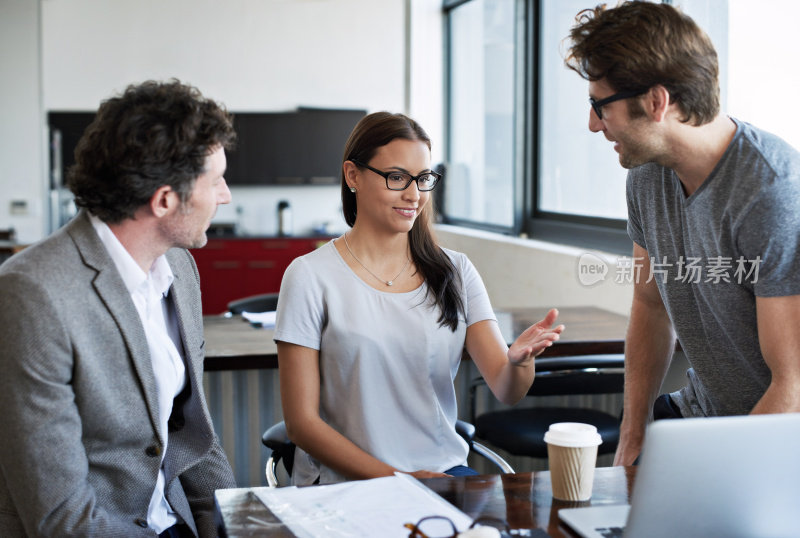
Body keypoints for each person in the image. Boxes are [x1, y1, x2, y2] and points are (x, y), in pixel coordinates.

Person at [564, 2, 800, 466]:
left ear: (656, 102)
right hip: (699, 419)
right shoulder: (647, 176)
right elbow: (650, 305)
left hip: (774, 440)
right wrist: (633, 434)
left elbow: (792, 384)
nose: (593, 123)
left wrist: (725, 483)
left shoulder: (771, 193)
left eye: (599, 105)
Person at [0, 80, 237, 537]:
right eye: (216, 181)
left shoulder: (179, 270)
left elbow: (192, 436)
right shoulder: (31, 294)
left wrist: (234, 526)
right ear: (165, 200)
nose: (224, 196)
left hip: (171, 522)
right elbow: (61, 519)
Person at [274, 112, 564, 484]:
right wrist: (401, 479)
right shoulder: (310, 276)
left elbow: (507, 389)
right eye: (396, 178)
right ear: (353, 176)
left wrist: (520, 362)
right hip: (346, 482)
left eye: (423, 179)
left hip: (441, 473)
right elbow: (302, 425)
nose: (414, 195)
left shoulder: (456, 272)